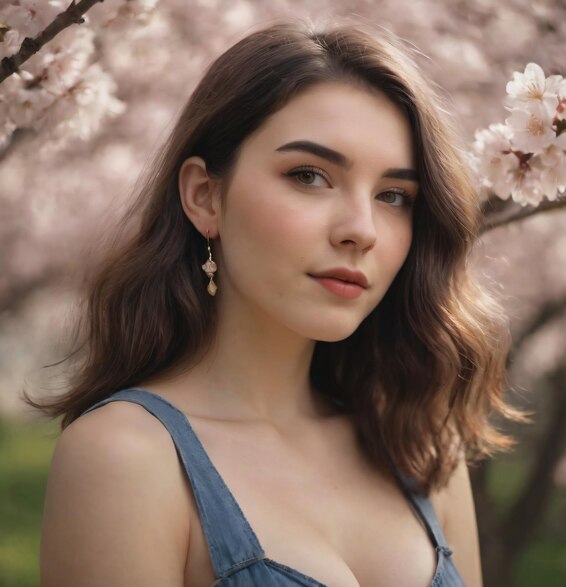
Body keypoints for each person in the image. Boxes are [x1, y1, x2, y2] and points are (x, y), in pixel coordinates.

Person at [30, 18, 525, 587]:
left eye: (393, 195)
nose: (361, 230)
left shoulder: (420, 448)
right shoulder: (126, 456)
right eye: (310, 176)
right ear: (204, 196)